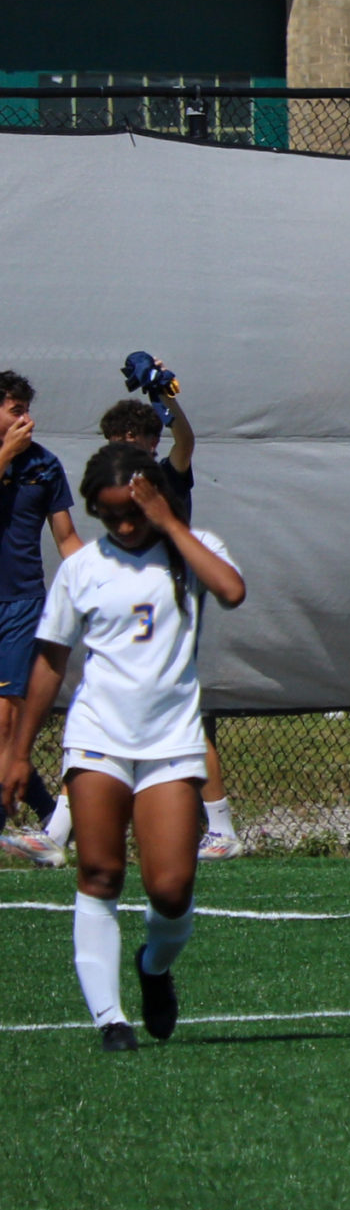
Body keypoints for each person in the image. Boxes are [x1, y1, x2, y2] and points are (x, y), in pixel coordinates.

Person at [0, 444, 245, 1050]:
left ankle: (154, 969)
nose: (124, 526)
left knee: (170, 889)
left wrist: (167, 522)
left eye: (133, 512)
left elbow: (233, 591)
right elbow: (51, 663)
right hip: (97, 739)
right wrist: (18, 751)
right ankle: (110, 1019)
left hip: (170, 742)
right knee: (101, 872)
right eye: (110, 516)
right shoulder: (81, 570)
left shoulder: (192, 550)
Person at [99, 383, 245, 861]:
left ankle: (221, 828)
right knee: (112, 703)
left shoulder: (166, 476)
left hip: (167, 602)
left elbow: (186, 441)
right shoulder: (118, 487)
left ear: (147, 440)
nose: (117, 447)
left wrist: (167, 396)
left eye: (126, 438)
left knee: (170, 711)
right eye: (112, 439)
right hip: (132, 603)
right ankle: (58, 830)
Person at [0, 371, 82, 868]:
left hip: (21, 603)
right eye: (14, 409)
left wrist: (95, 582)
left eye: (27, 409)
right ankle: (50, 816)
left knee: (7, 717)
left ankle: (29, 825)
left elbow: (67, 537)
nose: (25, 419)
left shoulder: (45, 466)